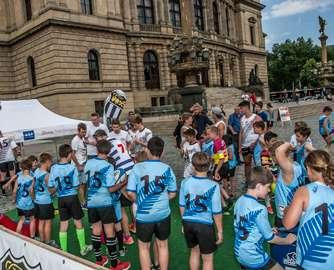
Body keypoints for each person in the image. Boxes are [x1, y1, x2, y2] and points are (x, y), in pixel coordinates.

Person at [127, 137, 177, 270]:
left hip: (144, 215)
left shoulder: (137, 168)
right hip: (162, 214)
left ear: (147, 150)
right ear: (163, 151)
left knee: (144, 247)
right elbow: (172, 194)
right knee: (163, 245)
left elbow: (131, 193)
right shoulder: (168, 169)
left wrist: (142, 201)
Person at [234, 167, 296, 270]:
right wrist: (287, 240)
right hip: (253, 255)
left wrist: (267, 230)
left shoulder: (239, 200)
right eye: (267, 187)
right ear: (258, 186)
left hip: (239, 252)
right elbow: (270, 239)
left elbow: (242, 225)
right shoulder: (260, 208)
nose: (269, 190)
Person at [283, 150, 334, 269]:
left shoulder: (304, 191)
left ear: (309, 168)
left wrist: (288, 211)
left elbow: (288, 224)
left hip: (310, 258)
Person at [84, 140, 131, 269]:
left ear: (97, 150)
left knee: (96, 230)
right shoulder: (108, 166)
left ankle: (99, 259)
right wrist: (122, 183)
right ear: (109, 151)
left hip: (91, 201)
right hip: (104, 202)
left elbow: (86, 182)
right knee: (110, 232)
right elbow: (110, 188)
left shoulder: (88, 163)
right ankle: (115, 264)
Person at [179, 152, 223, 270]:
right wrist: (220, 231)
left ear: (193, 166)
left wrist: (183, 222)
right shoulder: (214, 185)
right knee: (207, 258)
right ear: (209, 166)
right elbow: (217, 211)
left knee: (194, 252)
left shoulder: (185, 182)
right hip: (204, 225)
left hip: (188, 222)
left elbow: (182, 205)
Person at [48, 144, 92, 255]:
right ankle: (83, 248)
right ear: (69, 155)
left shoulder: (53, 168)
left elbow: (51, 186)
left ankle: (64, 251)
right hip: (72, 197)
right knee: (78, 222)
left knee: (63, 224)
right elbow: (77, 186)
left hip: (61, 199)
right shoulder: (72, 167)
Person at [269, 141, 305, 227]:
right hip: (293, 212)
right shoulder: (296, 165)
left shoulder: (288, 170)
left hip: (285, 215)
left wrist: (289, 145)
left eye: (272, 156)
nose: (271, 159)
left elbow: (279, 151)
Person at [34, 153, 56, 246]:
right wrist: (57, 187)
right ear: (47, 161)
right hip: (46, 201)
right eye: (50, 162)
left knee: (41, 221)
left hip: (37, 200)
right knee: (47, 222)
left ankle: (42, 240)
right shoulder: (47, 175)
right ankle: (48, 241)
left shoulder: (36, 171)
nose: (51, 164)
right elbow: (51, 190)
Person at [208, 126, 232, 212]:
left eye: (209, 134)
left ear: (214, 133)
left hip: (220, 165)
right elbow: (219, 155)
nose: (208, 135)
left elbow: (221, 158)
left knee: (216, 184)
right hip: (225, 164)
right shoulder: (221, 141)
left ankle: (227, 198)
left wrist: (217, 170)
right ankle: (224, 204)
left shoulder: (217, 143)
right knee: (217, 184)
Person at [239, 101, 261, 181]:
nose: (240, 110)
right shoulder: (242, 119)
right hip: (245, 145)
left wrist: (255, 143)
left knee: (258, 163)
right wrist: (239, 146)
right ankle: (248, 180)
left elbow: (262, 131)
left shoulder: (256, 117)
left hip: (256, 145)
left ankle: (260, 180)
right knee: (247, 164)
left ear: (246, 107)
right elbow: (240, 133)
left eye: (241, 108)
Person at [13, 159, 35, 238]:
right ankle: (32, 237)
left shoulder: (18, 178)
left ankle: (17, 236)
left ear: (21, 168)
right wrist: (33, 198)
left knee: (22, 220)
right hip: (29, 203)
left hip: (20, 203)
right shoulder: (32, 178)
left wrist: (14, 199)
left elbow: (14, 191)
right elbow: (31, 191)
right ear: (30, 168)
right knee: (32, 219)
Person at [71, 122, 88, 207]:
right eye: (82, 132)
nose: (84, 133)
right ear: (78, 131)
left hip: (83, 164)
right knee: (81, 184)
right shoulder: (75, 140)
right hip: (78, 165)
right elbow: (72, 154)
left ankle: (83, 201)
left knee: (83, 184)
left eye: (85, 132)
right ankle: (82, 203)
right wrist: (78, 165)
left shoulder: (83, 138)